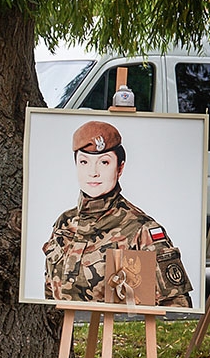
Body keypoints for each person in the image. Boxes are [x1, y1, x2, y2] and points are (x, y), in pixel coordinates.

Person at [43, 120, 192, 307]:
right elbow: (49, 294)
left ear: (120, 168)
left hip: (115, 334)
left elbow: (177, 308)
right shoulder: (64, 223)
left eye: (104, 162)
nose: (93, 172)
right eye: (84, 162)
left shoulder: (141, 229)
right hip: (67, 333)